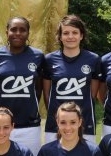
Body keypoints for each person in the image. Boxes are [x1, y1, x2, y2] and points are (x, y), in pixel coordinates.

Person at [0, 17, 44, 156]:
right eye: (13, 29)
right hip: (1, 127)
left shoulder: (37, 56)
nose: (17, 33)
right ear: (7, 32)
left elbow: (38, 88)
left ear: (28, 33)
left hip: (29, 126)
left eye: (22, 30)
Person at [43, 15, 101, 143]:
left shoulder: (93, 59)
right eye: (66, 33)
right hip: (56, 125)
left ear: (81, 35)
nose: (70, 36)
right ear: (60, 37)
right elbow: (47, 94)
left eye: (75, 32)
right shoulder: (49, 60)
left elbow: (92, 94)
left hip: (85, 123)